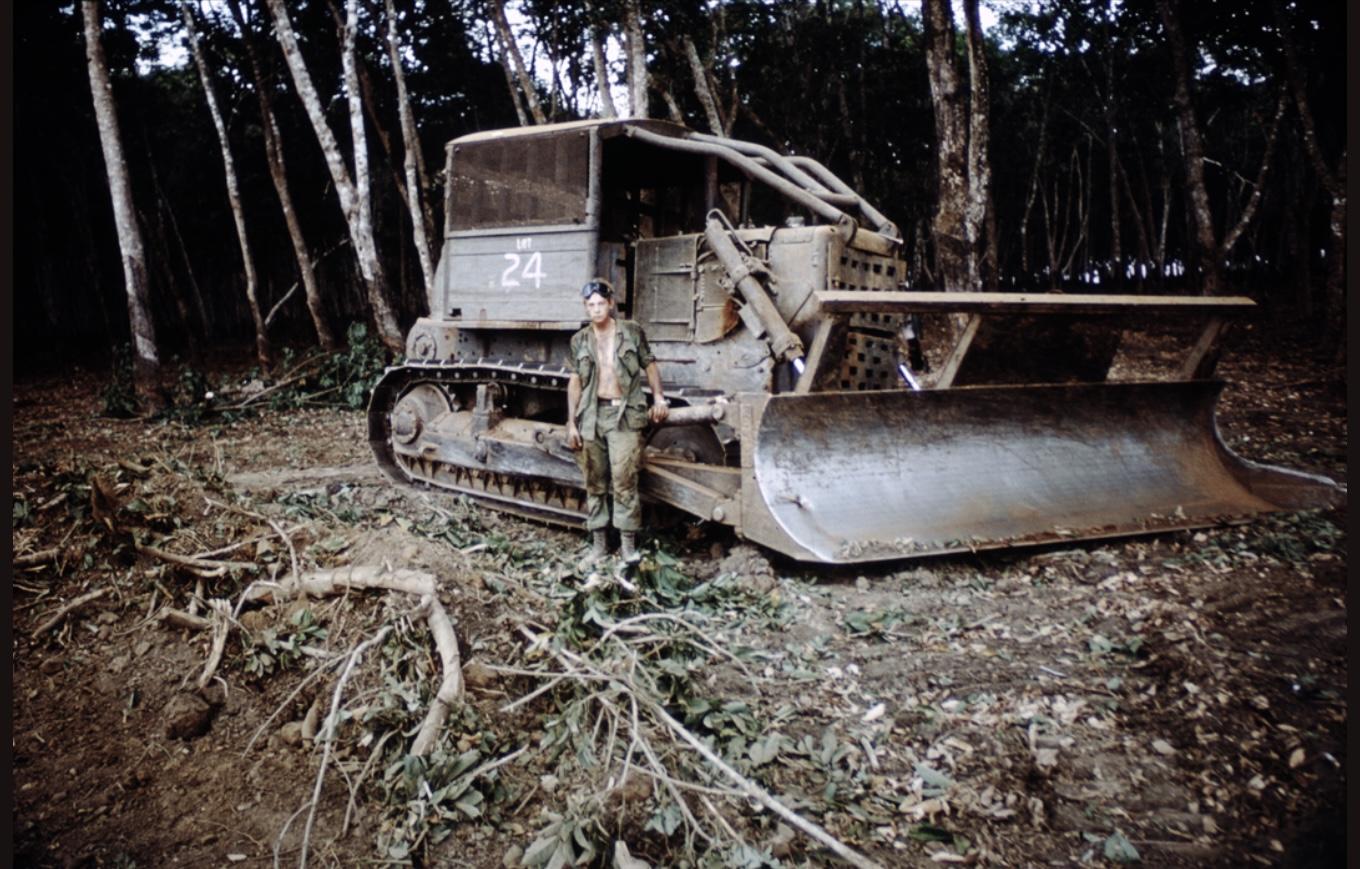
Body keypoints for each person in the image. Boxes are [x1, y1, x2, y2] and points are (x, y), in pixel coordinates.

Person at [565, 278, 668, 561]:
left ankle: (627, 548)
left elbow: (649, 364)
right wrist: (571, 422)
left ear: (610, 304)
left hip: (624, 415)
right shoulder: (579, 340)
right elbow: (575, 381)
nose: (596, 310)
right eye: (590, 305)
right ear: (585, 308)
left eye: (600, 304)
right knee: (594, 481)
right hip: (592, 416)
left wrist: (659, 398)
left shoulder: (632, 332)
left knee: (624, 480)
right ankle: (599, 546)